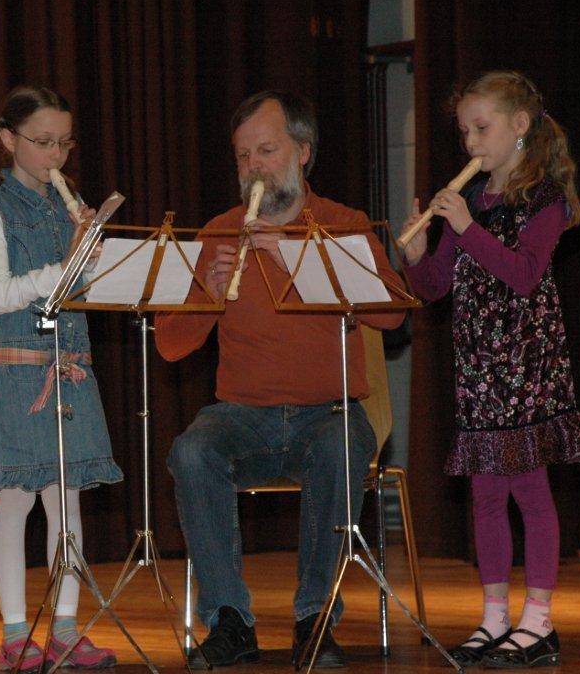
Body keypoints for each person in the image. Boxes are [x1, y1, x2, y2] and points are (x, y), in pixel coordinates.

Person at [155, 90, 405, 670]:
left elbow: (393, 313)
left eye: (266, 151)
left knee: (341, 446)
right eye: (243, 156)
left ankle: (314, 619)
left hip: (329, 411)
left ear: (303, 152)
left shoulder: (343, 224)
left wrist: (304, 261)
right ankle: (230, 621)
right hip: (243, 416)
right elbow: (170, 345)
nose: (254, 168)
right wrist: (207, 296)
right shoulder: (219, 232)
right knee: (191, 451)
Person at [401, 70, 580, 669]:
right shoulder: (473, 200)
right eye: (464, 132)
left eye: (480, 129)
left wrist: (464, 226)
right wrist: (416, 256)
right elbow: (436, 286)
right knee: (485, 497)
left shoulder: (545, 199)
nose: (470, 143)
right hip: (480, 371)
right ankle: (494, 619)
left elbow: (524, 274)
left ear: (519, 126)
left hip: (526, 368)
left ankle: (538, 623)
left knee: (530, 493)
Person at [0, 85, 122, 673]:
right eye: (43, 142)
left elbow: (87, 289)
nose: (56, 155)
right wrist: (67, 265)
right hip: (19, 371)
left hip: (71, 368)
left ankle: (65, 629)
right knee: (16, 499)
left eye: (64, 144)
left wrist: (96, 260)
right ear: (8, 140)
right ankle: (15, 633)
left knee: (67, 504)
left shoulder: (70, 206)